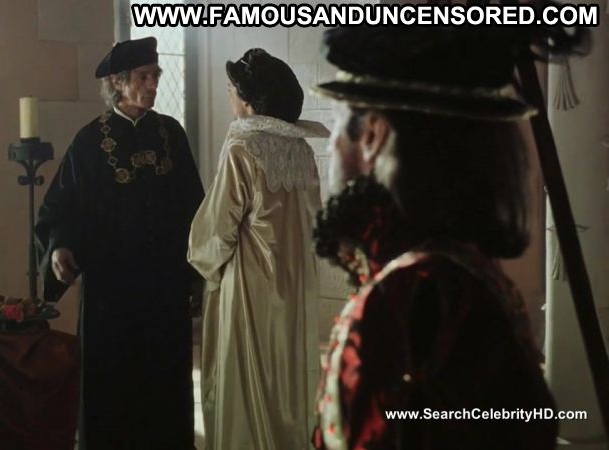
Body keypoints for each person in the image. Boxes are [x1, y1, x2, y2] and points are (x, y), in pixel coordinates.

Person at [310, 26, 589, 450]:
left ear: (372, 134)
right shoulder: (463, 274)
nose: (331, 146)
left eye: (337, 124)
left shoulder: (406, 296)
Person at [35, 36, 205, 449]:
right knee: (111, 390)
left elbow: (196, 209)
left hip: (165, 289)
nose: (153, 84)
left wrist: (198, 274)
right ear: (117, 81)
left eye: (156, 76)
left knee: (165, 387)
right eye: (144, 77)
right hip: (111, 295)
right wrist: (60, 248)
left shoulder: (172, 134)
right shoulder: (89, 142)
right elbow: (60, 208)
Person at [188, 48, 328, 450]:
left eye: (232, 89)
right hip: (294, 280)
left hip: (250, 287)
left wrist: (201, 262)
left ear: (248, 101)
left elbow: (216, 231)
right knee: (286, 374)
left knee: (247, 377)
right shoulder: (301, 150)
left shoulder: (242, 148)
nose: (229, 96)